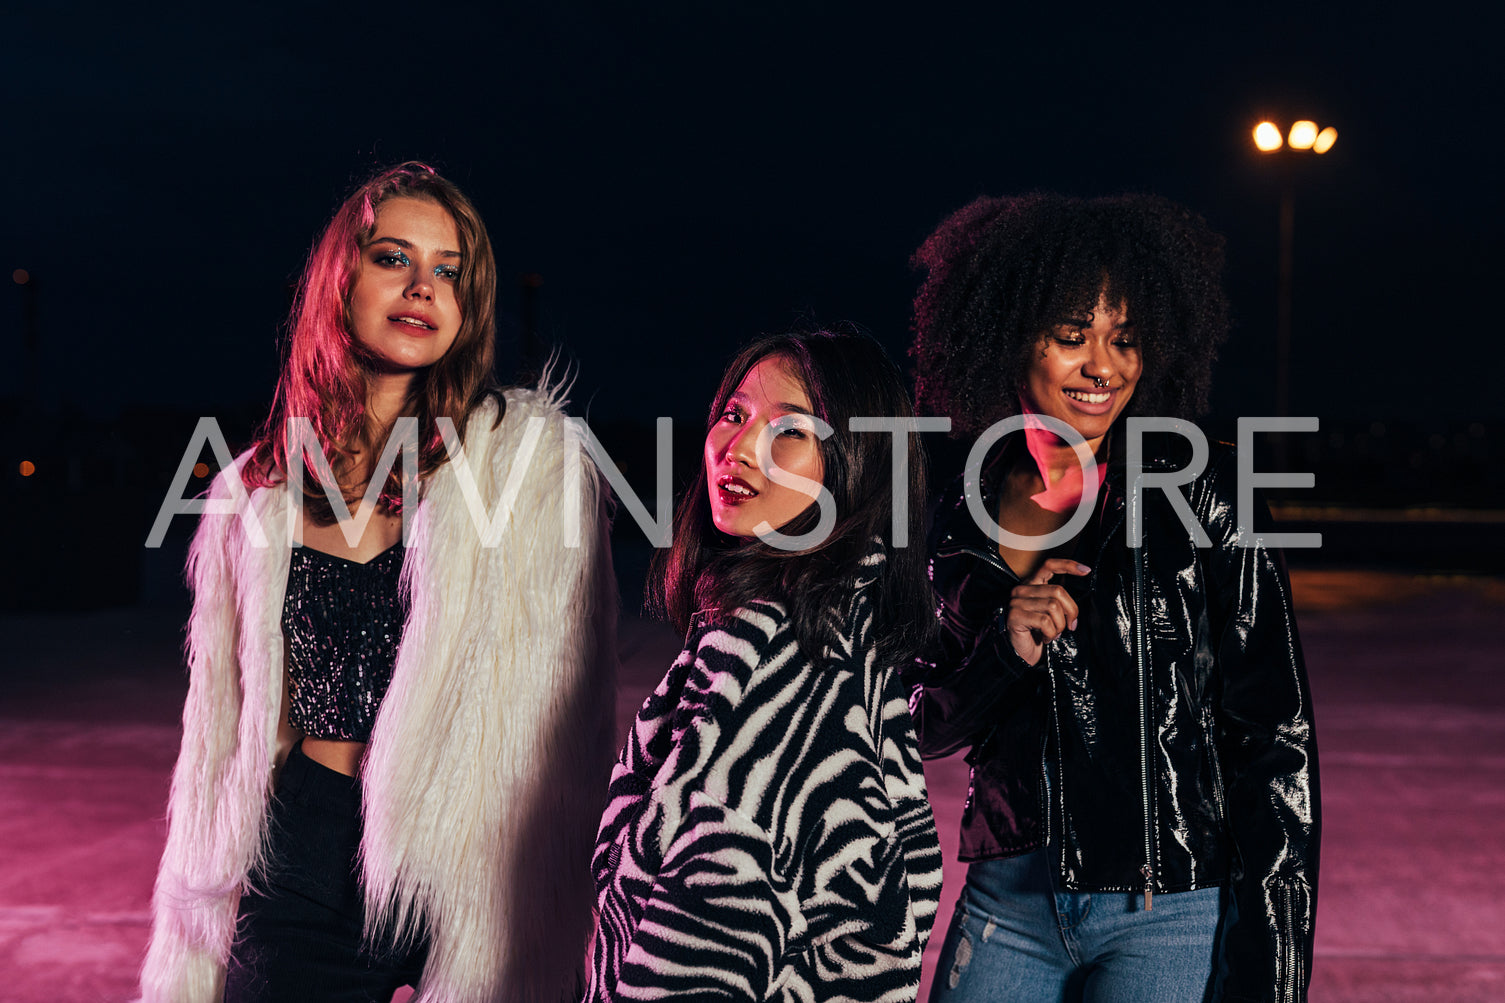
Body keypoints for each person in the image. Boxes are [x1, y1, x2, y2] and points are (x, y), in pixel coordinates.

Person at [139, 163, 616, 1003]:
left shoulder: (530, 465)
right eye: (394, 258)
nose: (422, 286)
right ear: (341, 278)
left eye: (448, 269)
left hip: (470, 859)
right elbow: (227, 725)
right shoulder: (255, 495)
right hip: (308, 848)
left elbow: (569, 707)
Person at [907, 193, 1319, 1002]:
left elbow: (1276, 738)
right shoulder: (961, 507)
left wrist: (1272, 970)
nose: (1104, 366)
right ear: (1007, 335)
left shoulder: (1207, 488)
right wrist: (1003, 649)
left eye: (1124, 339)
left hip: (1168, 909)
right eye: (1072, 338)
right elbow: (918, 723)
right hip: (1006, 900)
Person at [588, 330, 945, 1001]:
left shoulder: (779, 676)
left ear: (854, 466)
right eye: (733, 414)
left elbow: (696, 953)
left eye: (790, 431)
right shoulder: (835, 638)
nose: (740, 447)